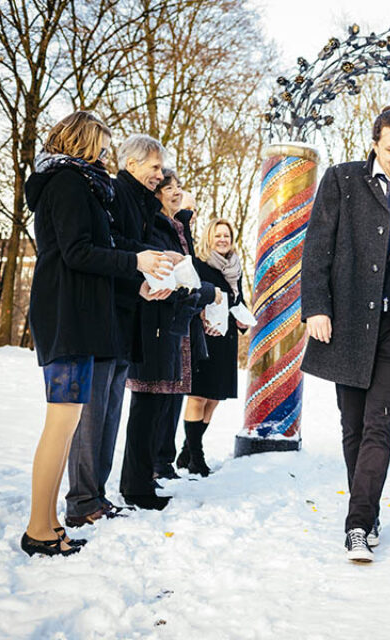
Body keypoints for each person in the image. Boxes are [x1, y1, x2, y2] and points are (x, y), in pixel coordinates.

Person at [301, 106, 390, 563]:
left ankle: (357, 525)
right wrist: (316, 308)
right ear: (374, 144)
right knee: (353, 425)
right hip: (347, 322)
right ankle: (368, 512)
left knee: (378, 425)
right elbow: (317, 245)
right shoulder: (343, 180)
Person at [22, 111, 172, 555]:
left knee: (65, 425)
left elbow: (102, 247)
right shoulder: (68, 183)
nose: (107, 156)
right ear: (84, 144)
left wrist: (140, 270)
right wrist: (136, 262)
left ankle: (48, 523)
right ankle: (38, 529)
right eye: (103, 148)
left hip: (80, 315)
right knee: (61, 424)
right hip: (66, 316)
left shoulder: (80, 183)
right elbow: (78, 251)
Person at [64, 133, 174, 528]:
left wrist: (150, 271)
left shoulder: (142, 201)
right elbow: (111, 244)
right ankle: (81, 500)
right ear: (132, 164)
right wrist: (146, 261)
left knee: (110, 413)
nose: (160, 176)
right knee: (93, 416)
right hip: (104, 317)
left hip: (128, 316)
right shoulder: (115, 193)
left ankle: (97, 495)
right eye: (155, 167)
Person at [121, 168, 218, 510]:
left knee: (161, 409)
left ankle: (145, 479)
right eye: (169, 187)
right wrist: (207, 293)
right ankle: (135, 487)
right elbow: (172, 275)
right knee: (147, 407)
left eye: (179, 186)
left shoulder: (176, 226)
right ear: (156, 194)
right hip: (156, 324)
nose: (177, 191)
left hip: (176, 323)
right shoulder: (156, 225)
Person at [177, 218, 251, 476]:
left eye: (227, 236)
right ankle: (197, 457)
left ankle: (187, 450)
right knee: (198, 396)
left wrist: (244, 319)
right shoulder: (199, 265)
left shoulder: (235, 269)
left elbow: (237, 300)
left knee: (215, 398)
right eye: (218, 235)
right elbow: (189, 297)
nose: (223, 239)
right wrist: (200, 316)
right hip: (204, 338)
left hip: (226, 339)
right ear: (210, 238)